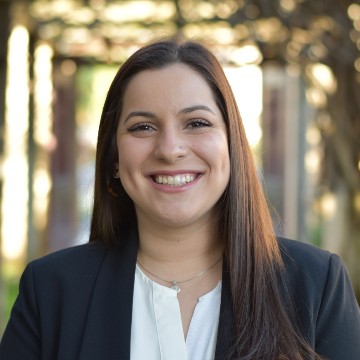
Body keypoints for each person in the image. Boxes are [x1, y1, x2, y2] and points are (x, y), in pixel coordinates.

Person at [0, 37, 359, 360]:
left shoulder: (315, 285)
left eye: (197, 123)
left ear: (232, 146)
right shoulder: (51, 290)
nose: (170, 150)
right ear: (113, 157)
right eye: (143, 127)